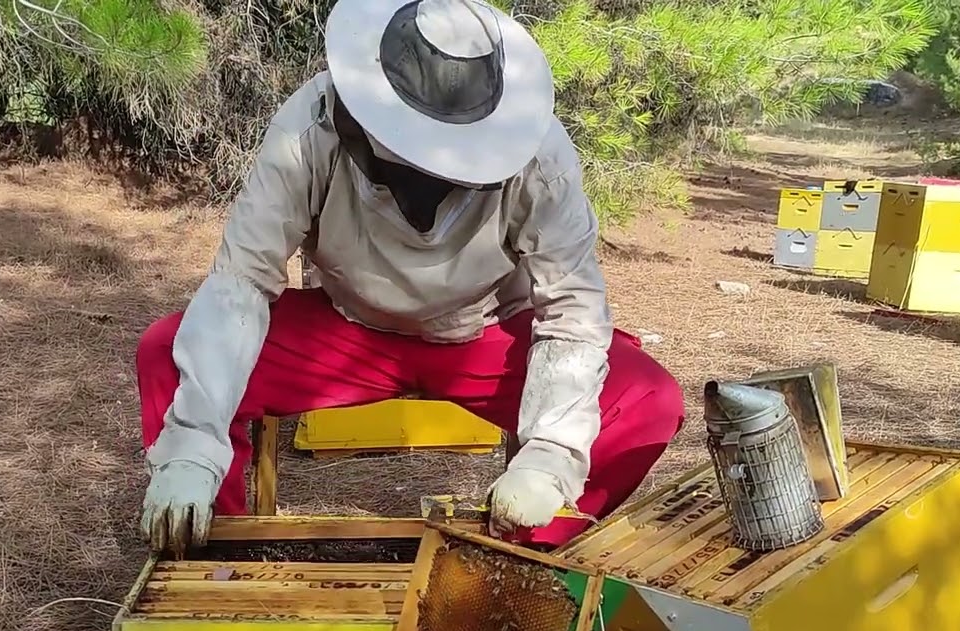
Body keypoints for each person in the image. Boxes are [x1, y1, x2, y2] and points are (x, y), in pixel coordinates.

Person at [133, 0, 685, 556]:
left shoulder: (542, 158)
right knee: (166, 353)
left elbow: (572, 311)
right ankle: (212, 560)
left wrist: (550, 458)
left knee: (647, 399)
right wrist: (192, 445)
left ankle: (526, 559)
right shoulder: (309, 127)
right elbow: (242, 281)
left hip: (483, 334)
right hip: (347, 332)